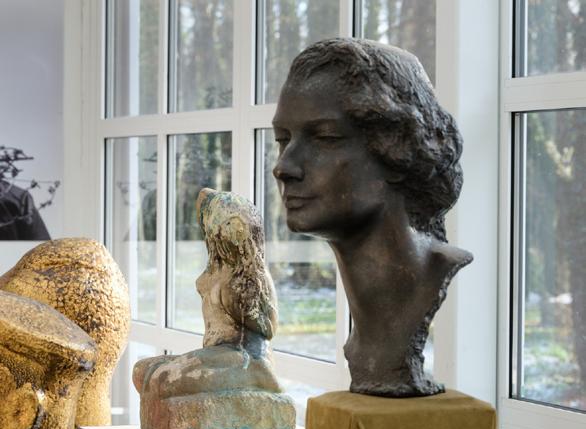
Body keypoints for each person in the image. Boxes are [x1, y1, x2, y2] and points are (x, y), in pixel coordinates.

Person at [272, 38, 473, 397]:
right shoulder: (369, 318)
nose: (284, 167)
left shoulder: (425, 277)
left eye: (325, 137)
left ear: (398, 147)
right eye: (282, 139)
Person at [133, 188, 281, 397]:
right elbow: (203, 196)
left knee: (162, 380)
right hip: (216, 352)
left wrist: (239, 302)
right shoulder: (219, 265)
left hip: (244, 359)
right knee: (141, 371)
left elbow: (268, 329)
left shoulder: (248, 276)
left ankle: (258, 382)